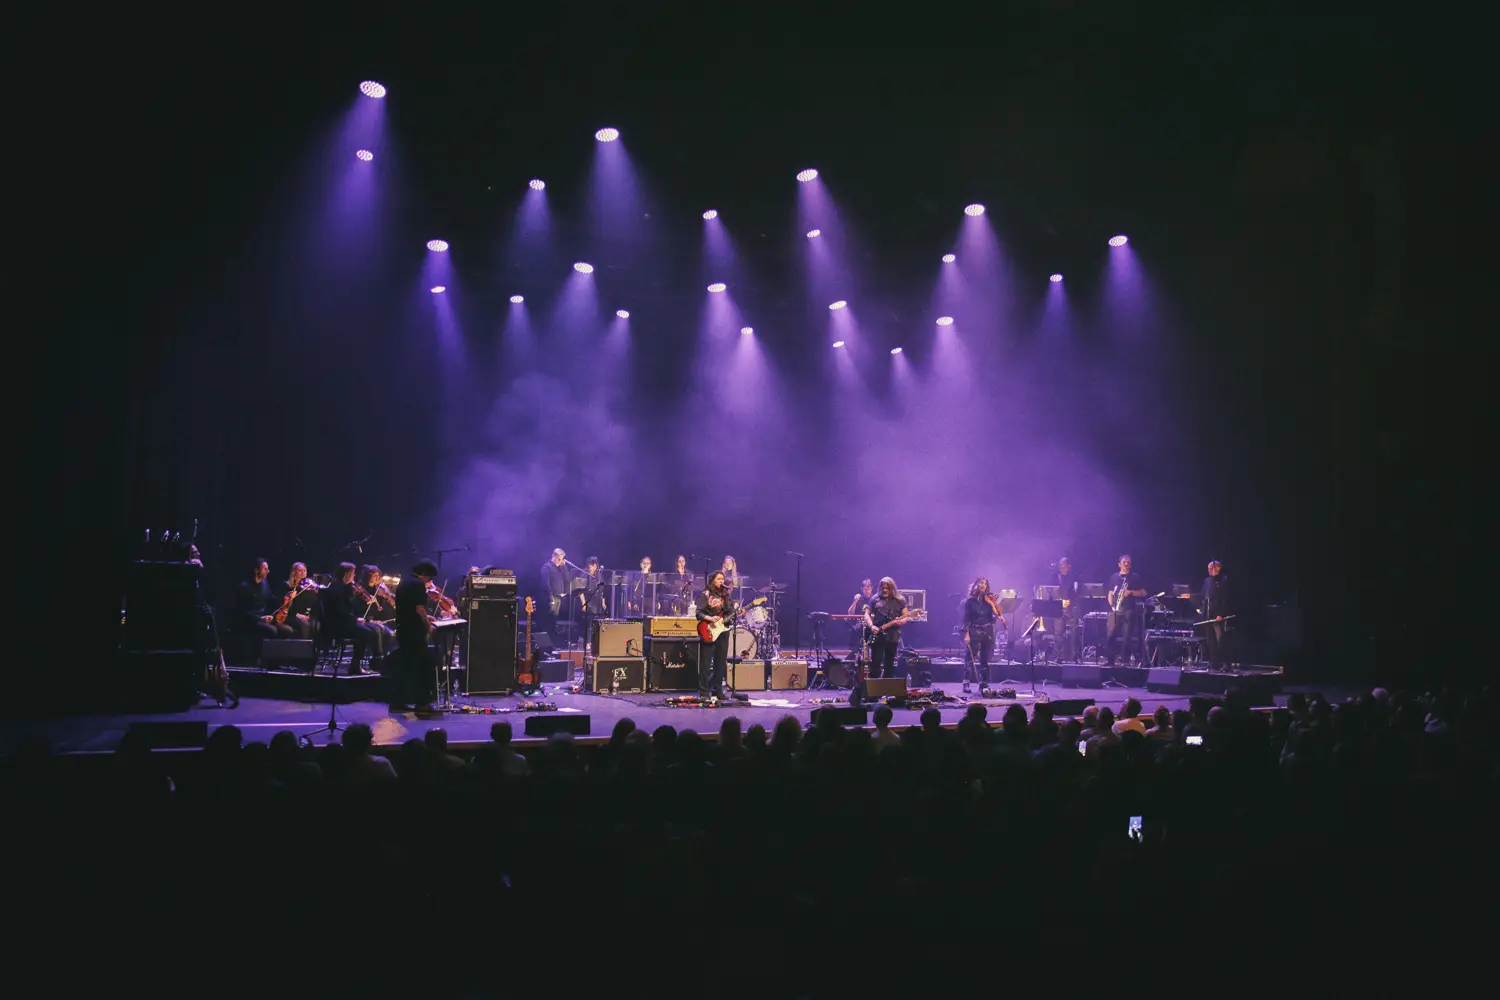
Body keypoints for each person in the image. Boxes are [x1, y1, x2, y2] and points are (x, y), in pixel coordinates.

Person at [393, 559, 439, 713]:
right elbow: (419, 608)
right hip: (414, 631)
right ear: (425, 574)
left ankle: (397, 702)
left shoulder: (404, 583)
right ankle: (422, 703)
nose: (430, 581)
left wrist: (427, 617)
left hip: (403, 628)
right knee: (421, 667)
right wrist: (428, 625)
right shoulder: (418, 585)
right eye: (430, 578)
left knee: (404, 667)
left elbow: (409, 607)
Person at [320, 562, 377, 674]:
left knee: (370, 630)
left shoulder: (344, 588)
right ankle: (356, 665)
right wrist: (356, 619)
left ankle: (362, 663)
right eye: (352, 573)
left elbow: (350, 608)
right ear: (346, 574)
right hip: (336, 625)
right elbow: (340, 611)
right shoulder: (336, 589)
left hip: (344, 622)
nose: (354, 576)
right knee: (366, 633)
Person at [694, 571, 738, 699]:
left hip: (723, 631)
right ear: (713, 580)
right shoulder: (706, 594)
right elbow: (698, 613)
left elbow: (729, 613)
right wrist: (709, 618)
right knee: (706, 663)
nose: (721, 581)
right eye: (719, 579)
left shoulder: (726, 595)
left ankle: (717, 690)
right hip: (708, 630)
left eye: (723, 579)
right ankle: (703, 692)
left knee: (720, 663)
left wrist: (736, 613)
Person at [863, 577, 910, 680]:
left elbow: (906, 616)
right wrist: (871, 626)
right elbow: (866, 614)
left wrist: (902, 621)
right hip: (878, 633)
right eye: (883, 588)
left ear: (892, 588)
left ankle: (887, 686)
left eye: (887, 588)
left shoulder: (900, 600)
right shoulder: (875, 598)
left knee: (890, 662)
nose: (884, 590)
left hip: (893, 634)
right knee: (876, 661)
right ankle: (873, 687)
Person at [1104, 555, 1146, 666]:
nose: (1126, 564)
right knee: (1111, 636)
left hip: (1129, 609)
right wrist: (1112, 606)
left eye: (1128, 562)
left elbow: (1143, 593)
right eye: (1124, 562)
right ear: (1119, 564)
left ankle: (1124, 660)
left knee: (1127, 636)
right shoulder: (1113, 577)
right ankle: (1110, 660)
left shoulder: (1135, 577)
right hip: (1115, 610)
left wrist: (1131, 592)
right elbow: (1110, 593)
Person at [236, 558, 293, 639]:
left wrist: (286, 598)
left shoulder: (265, 584)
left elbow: (270, 599)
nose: (268, 571)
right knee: (272, 630)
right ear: (256, 570)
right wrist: (259, 618)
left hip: (264, 617)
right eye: (265, 569)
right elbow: (241, 611)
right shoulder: (245, 587)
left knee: (288, 630)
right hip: (252, 620)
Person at [961, 578, 1000, 693]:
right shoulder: (970, 601)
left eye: (985, 584)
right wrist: (967, 634)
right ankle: (966, 683)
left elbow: (995, 616)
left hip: (987, 630)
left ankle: (984, 683)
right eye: (981, 583)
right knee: (970, 657)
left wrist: (994, 604)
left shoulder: (988, 600)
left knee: (985, 658)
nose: (983, 585)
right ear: (976, 585)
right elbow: (966, 619)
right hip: (974, 630)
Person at [1199, 559, 1232, 669]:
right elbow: (1203, 596)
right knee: (1210, 641)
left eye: (1211, 569)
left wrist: (1221, 614)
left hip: (1218, 616)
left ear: (1217, 568)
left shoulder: (1224, 580)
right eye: (1208, 569)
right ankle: (1213, 663)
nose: (1209, 571)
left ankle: (1225, 662)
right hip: (1208, 615)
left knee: (1220, 640)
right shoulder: (1207, 581)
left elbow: (1225, 599)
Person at [1055, 557, 1082, 662]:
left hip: (1072, 606)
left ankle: (1076, 656)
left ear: (1069, 566)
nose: (1062, 568)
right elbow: (1051, 591)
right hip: (1059, 607)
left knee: (1075, 631)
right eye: (1061, 567)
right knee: (1058, 633)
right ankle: (1059, 656)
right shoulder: (1055, 577)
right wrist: (1061, 601)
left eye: (1064, 566)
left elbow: (1078, 591)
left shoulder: (1075, 577)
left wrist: (1070, 600)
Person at [280, 562, 318, 639]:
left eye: (305, 570)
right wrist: (297, 614)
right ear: (294, 572)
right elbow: (283, 605)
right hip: (288, 615)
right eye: (300, 570)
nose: (303, 573)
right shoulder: (286, 586)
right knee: (305, 624)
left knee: (315, 624)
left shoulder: (307, 587)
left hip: (304, 615)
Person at [846, 578, 875, 658]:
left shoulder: (874, 599)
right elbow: (850, 614)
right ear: (862, 589)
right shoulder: (859, 599)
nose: (867, 591)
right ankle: (854, 652)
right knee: (855, 629)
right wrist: (855, 601)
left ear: (871, 589)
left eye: (869, 589)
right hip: (860, 623)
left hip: (871, 623)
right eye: (865, 589)